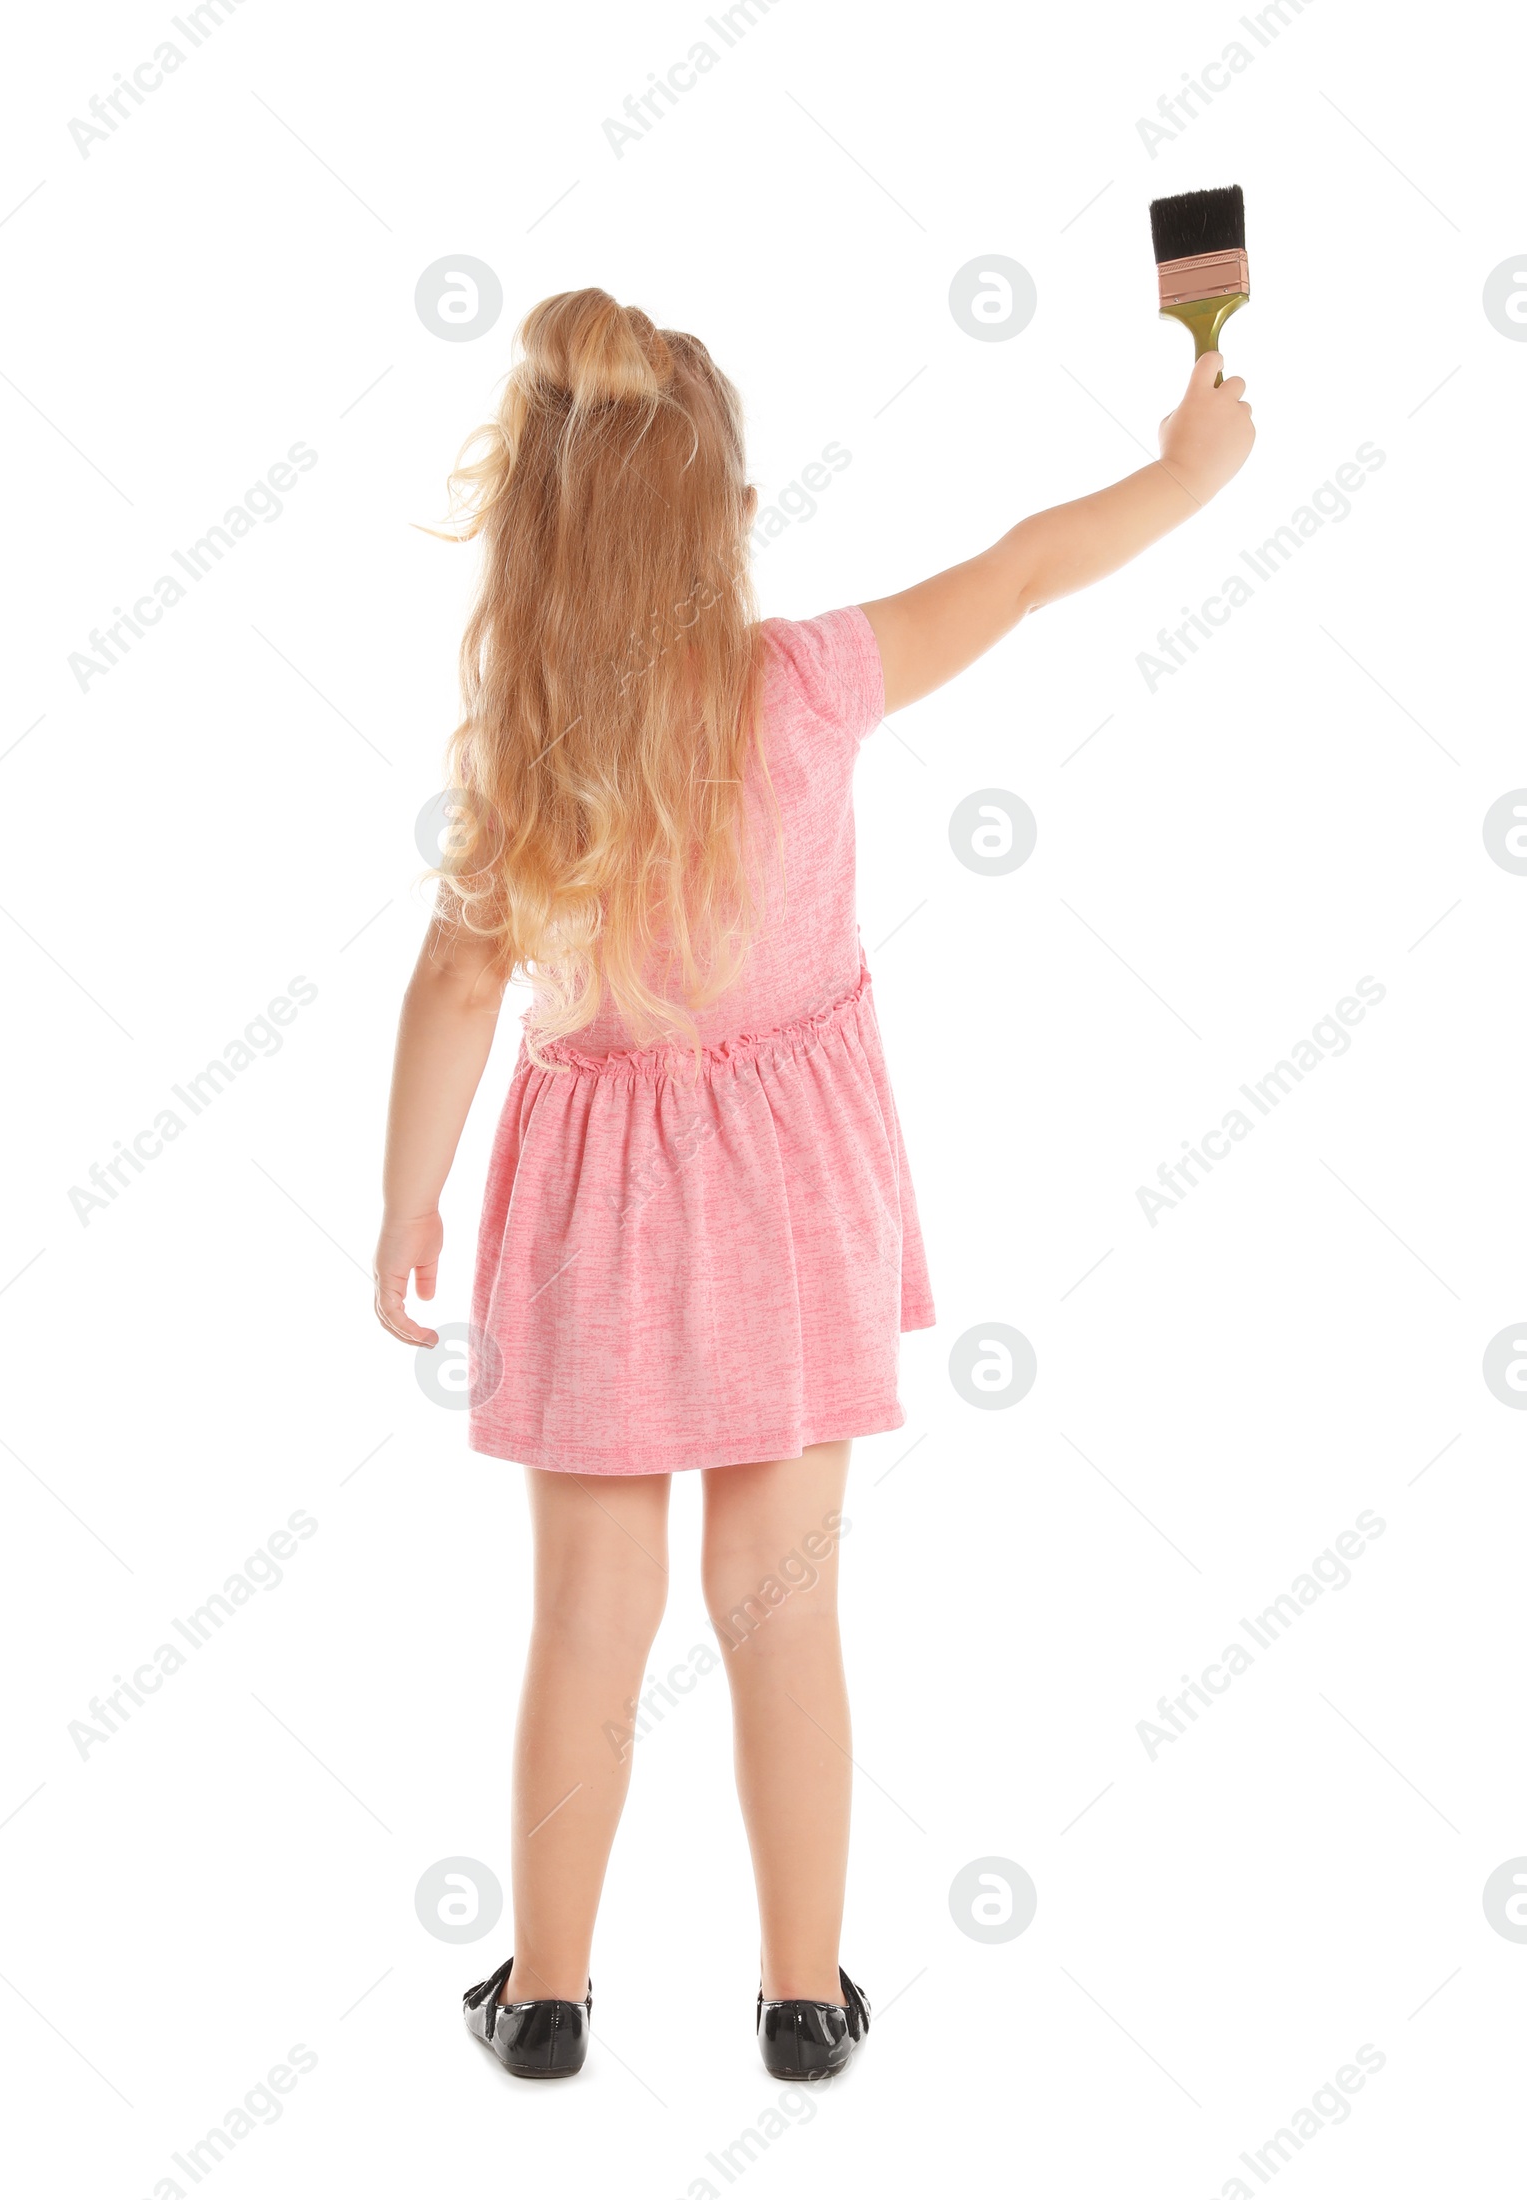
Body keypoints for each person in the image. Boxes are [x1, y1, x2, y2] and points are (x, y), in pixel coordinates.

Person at [374, 289, 1253, 2080]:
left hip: (595, 1221)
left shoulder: (527, 757)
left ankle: (545, 1997)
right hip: (790, 1204)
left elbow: (461, 982)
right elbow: (1014, 573)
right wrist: (1185, 472)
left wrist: (407, 1199)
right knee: (782, 1610)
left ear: (536, 535)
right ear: (725, 516)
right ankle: (801, 1997)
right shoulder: (811, 681)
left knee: (583, 1623)